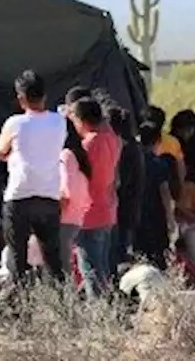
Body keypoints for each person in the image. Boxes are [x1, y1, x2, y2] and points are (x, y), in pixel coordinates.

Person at [0, 70, 67, 283]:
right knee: (53, 260)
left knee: (18, 259)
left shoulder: (14, 123)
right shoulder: (59, 122)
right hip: (49, 195)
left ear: (20, 98)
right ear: (45, 95)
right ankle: (61, 308)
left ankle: (20, 311)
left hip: (19, 195)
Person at [72, 96, 122, 294]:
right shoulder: (111, 139)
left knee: (90, 270)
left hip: (88, 215)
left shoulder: (88, 146)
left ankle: (98, 316)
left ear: (82, 121)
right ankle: (107, 313)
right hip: (107, 211)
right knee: (103, 269)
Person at [94, 90, 144, 269]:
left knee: (112, 255)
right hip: (129, 209)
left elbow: (118, 182)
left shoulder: (121, 147)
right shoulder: (134, 146)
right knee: (119, 253)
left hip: (118, 209)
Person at [134, 122, 176, 271]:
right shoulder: (159, 164)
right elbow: (164, 192)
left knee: (138, 252)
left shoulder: (132, 160)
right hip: (156, 213)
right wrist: (170, 218)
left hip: (135, 212)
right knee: (158, 252)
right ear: (158, 142)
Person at [59, 123, 92, 276]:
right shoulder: (79, 156)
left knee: (62, 266)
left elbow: (67, 190)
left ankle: (65, 297)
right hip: (77, 217)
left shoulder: (65, 156)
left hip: (64, 217)